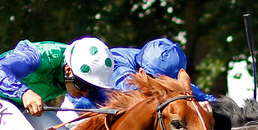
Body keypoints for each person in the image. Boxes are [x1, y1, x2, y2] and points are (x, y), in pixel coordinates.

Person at [61, 37, 214, 116]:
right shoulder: (121, 73)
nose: (166, 87)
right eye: (161, 83)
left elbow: (195, 92)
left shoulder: (150, 61)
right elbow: (138, 99)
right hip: (80, 106)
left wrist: (208, 101)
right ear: (142, 72)